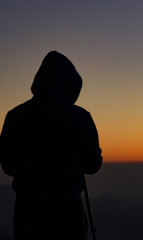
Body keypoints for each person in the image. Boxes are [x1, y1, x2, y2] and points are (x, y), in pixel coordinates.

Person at [0, 51, 103, 240]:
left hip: (27, 209)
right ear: (69, 83)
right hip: (67, 208)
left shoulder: (15, 115)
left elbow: (8, 165)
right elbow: (92, 164)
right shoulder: (79, 117)